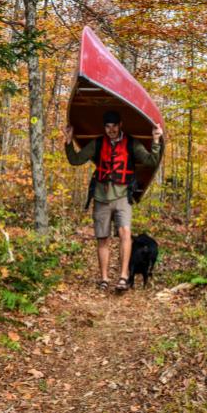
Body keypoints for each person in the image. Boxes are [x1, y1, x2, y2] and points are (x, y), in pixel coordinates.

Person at [64, 110, 163, 292]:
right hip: (101, 196)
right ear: (105, 127)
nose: (111, 130)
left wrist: (156, 140)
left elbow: (151, 161)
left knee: (125, 232)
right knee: (103, 238)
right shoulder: (98, 143)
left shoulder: (132, 143)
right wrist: (69, 140)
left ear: (120, 125)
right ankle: (104, 278)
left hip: (123, 196)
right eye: (108, 127)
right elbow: (75, 160)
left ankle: (124, 277)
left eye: (114, 126)